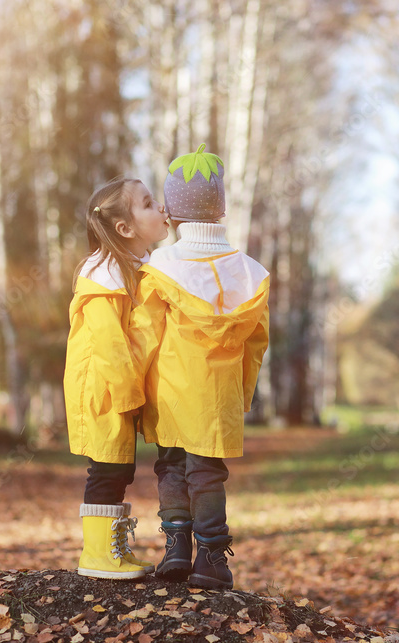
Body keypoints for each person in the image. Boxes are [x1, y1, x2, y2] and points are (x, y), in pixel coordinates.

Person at [130, 144, 270, 589]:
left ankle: (175, 550)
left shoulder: (160, 268)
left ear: (169, 212)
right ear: (222, 209)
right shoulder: (251, 274)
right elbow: (255, 344)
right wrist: (240, 394)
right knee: (208, 473)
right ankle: (213, 559)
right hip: (218, 394)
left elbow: (144, 336)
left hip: (170, 391)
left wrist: (134, 390)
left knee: (170, 467)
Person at [63, 177, 169, 579]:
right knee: (106, 468)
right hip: (104, 391)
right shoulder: (104, 273)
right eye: (147, 203)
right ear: (124, 228)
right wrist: (129, 396)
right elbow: (108, 343)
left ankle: (111, 549)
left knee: (119, 469)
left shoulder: (132, 268)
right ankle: (96, 555)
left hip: (117, 388)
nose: (160, 208)